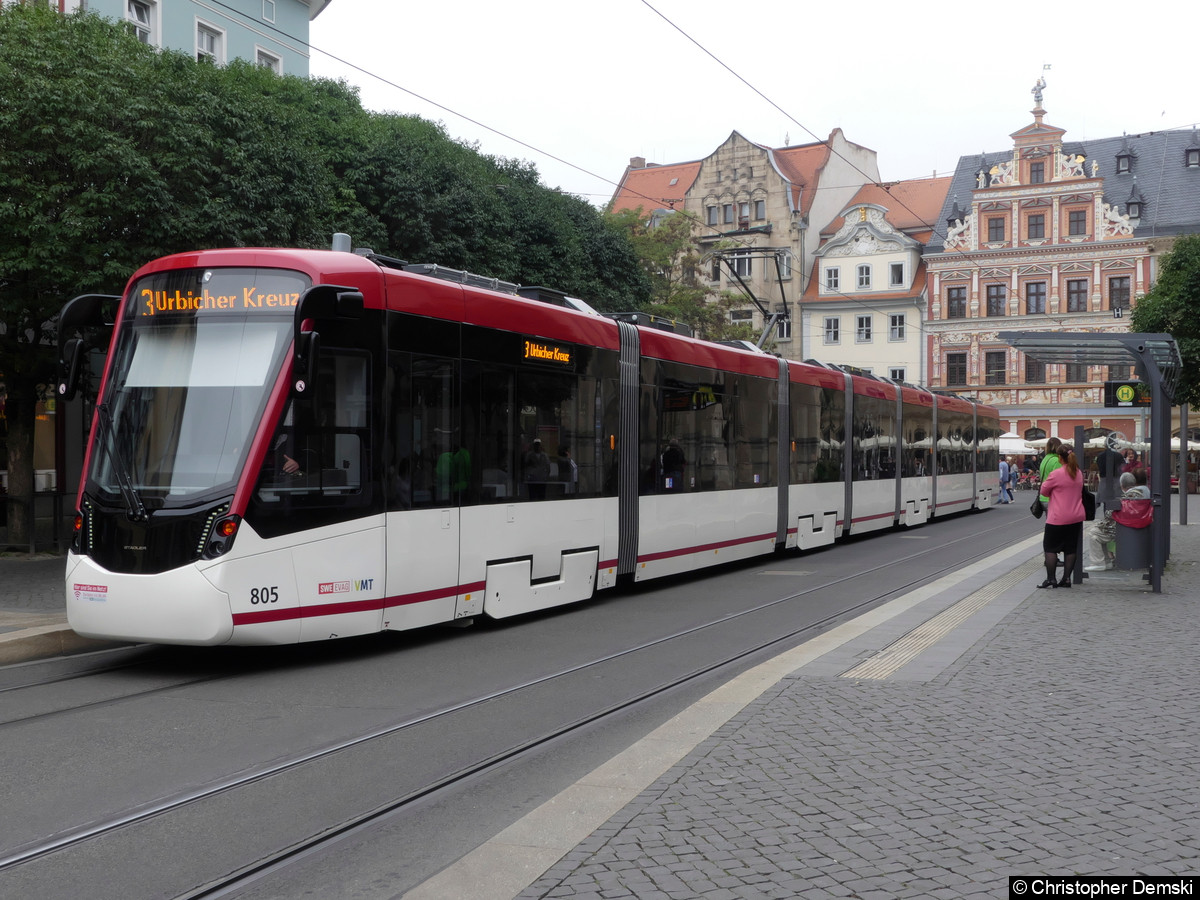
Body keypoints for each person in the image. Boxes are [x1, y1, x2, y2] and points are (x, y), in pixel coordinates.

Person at [1037, 443, 1086, 589]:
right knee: (1070, 549)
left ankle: (1051, 579)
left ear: (1060, 457)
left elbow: (1044, 491)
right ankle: (1066, 579)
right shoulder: (1078, 473)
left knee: (1050, 548)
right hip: (1076, 516)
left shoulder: (1056, 474)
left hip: (1057, 517)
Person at [1085, 471, 1139, 571]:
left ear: (1122, 485)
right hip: (1132, 527)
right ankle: (1106, 562)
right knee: (1097, 535)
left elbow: (1109, 514)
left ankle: (1099, 562)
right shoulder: (1140, 495)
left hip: (1119, 529)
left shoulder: (1124, 498)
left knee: (1094, 533)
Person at [1037, 437, 1063, 510]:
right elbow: (1058, 479)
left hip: (1043, 496)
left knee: (1049, 520)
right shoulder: (1057, 460)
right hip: (1053, 497)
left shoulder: (1045, 459)